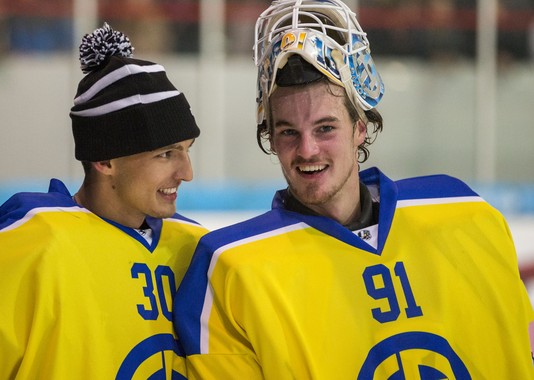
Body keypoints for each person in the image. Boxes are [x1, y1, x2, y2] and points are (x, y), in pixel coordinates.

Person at [174, 0, 534, 378]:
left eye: (325, 128)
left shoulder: (464, 214)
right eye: (288, 133)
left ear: (360, 127)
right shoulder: (229, 269)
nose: (307, 149)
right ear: (271, 139)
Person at [0, 23, 207, 379]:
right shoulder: (26, 246)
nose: (187, 172)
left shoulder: (196, 249)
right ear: (104, 160)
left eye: (186, 150)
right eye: (166, 154)